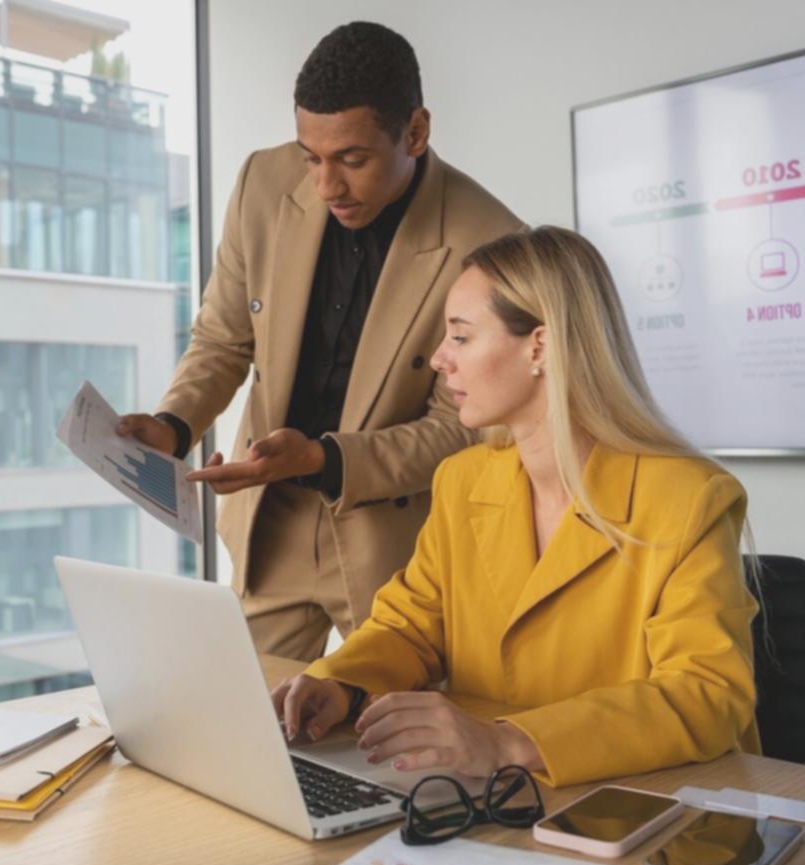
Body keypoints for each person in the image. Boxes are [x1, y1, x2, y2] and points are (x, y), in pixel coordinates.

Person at [272, 227, 761, 786]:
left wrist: (509, 740)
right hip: (492, 795)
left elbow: (706, 693)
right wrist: (339, 682)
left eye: (460, 337)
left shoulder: (687, 497)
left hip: (635, 800)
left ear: (540, 347)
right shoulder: (463, 480)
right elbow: (411, 627)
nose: (438, 359)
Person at [117, 22, 522, 661]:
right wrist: (173, 424)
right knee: (244, 732)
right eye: (312, 157)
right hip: (268, 521)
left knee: (399, 748)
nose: (326, 185)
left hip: (398, 544)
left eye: (352, 160)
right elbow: (224, 337)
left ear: (415, 131)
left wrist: (325, 460)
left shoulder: (490, 240)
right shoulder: (262, 180)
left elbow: (464, 426)